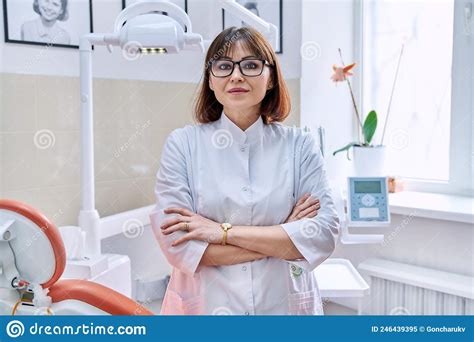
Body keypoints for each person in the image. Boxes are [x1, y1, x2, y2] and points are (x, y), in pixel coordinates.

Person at [150, 26, 339, 315]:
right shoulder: (183, 144)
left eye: (250, 65)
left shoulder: (300, 145)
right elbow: (177, 246)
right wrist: (285, 235)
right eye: (224, 66)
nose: (236, 76)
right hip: (206, 308)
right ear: (211, 79)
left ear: (271, 77)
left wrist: (220, 232)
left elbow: (322, 235)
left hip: (282, 307)